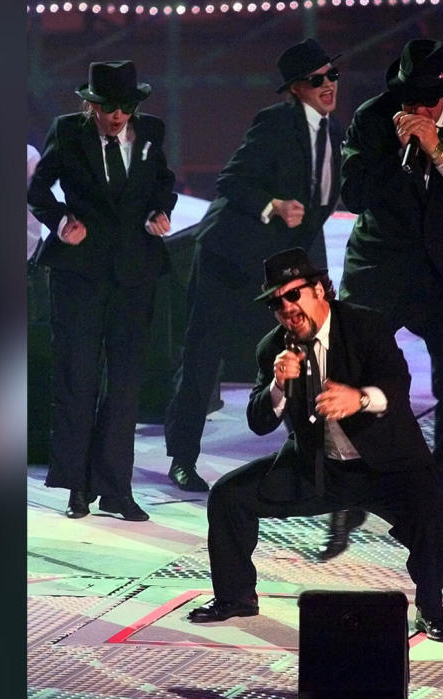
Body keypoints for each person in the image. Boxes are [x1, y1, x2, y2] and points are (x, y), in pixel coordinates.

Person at [185, 248, 443, 643]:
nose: (286, 309)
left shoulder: (364, 325)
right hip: (319, 467)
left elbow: (397, 386)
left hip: (387, 466)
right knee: (229, 496)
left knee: (431, 516)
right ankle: (235, 597)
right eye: (276, 303)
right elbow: (259, 422)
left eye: (293, 295)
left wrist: (359, 399)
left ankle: (431, 610)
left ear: (319, 290)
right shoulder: (272, 349)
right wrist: (279, 385)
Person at [336, 39, 443, 560]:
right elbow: (354, 196)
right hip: (382, 269)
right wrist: (396, 151)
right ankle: (377, 486)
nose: (415, 112)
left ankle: (441, 502)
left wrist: (439, 151)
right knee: (362, 380)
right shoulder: (372, 117)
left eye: (425, 105)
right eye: (408, 102)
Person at [162, 39, 344, 494]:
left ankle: (310, 456)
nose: (329, 86)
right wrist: (273, 204)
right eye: (318, 80)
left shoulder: (333, 133)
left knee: (303, 352)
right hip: (230, 253)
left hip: (280, 264)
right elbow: (231, 181)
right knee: (203, 356)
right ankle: (182, 459)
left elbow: (321, 208)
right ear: (296, 89)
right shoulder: (276, 122)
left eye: (332, 76)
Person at [27, 61, 178, 521]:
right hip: (81, 274)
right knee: (78, 380)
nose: (118, 115)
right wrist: (61, 222)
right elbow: (37, 192)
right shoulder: (68, 132)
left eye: (126, 107)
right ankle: (76, 487)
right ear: (90, 104)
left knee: (126, 385)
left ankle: (116, 488)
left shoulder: (151, 131)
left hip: (135, 274)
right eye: (109, 107)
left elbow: (164, 184)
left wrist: (159, 210)